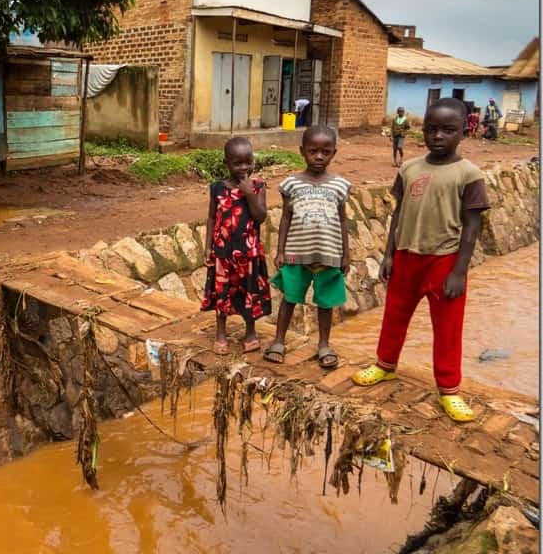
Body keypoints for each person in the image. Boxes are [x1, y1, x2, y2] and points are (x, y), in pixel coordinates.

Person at [352, 98, 490, 423]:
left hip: (445, 261)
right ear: (422, 130)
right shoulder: (409, 168)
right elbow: (398, 214)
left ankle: (449, 389)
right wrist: (388, 254)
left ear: (462, 132)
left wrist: (460, 272)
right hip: (406, 256)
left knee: (447, 327)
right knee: (394, 314)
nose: (438, 136)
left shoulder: (469, 174)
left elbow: (472, 228)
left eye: (448, 130)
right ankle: (385, 365)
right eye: (432, 129)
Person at [263, 126, 351, 369]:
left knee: (325, 303)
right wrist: (280, 250)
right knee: (289, 299)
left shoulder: (340, 186)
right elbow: (286, 218)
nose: (319, 157)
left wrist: (346, 252)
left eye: (326, 151)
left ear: (334, 152)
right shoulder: (291, 184)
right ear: (302, 151)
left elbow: (343, 220)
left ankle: (324, 345)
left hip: (329, 254)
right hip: (295, 253)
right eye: (313, 151)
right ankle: (279, 341)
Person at [201, 136, 272, 355]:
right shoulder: (217, 189)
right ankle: (220, 333)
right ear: (226, 164)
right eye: (237, 163)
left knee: (249, 291)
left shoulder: (258, 187)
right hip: (223, 253)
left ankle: (250, 332)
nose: (243, 168)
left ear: (253, 161)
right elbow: (212, 218)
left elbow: (261, 217)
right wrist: (208, 247)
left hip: (249, 253)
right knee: (222, 292)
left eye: (247, 162)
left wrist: (249, 193)